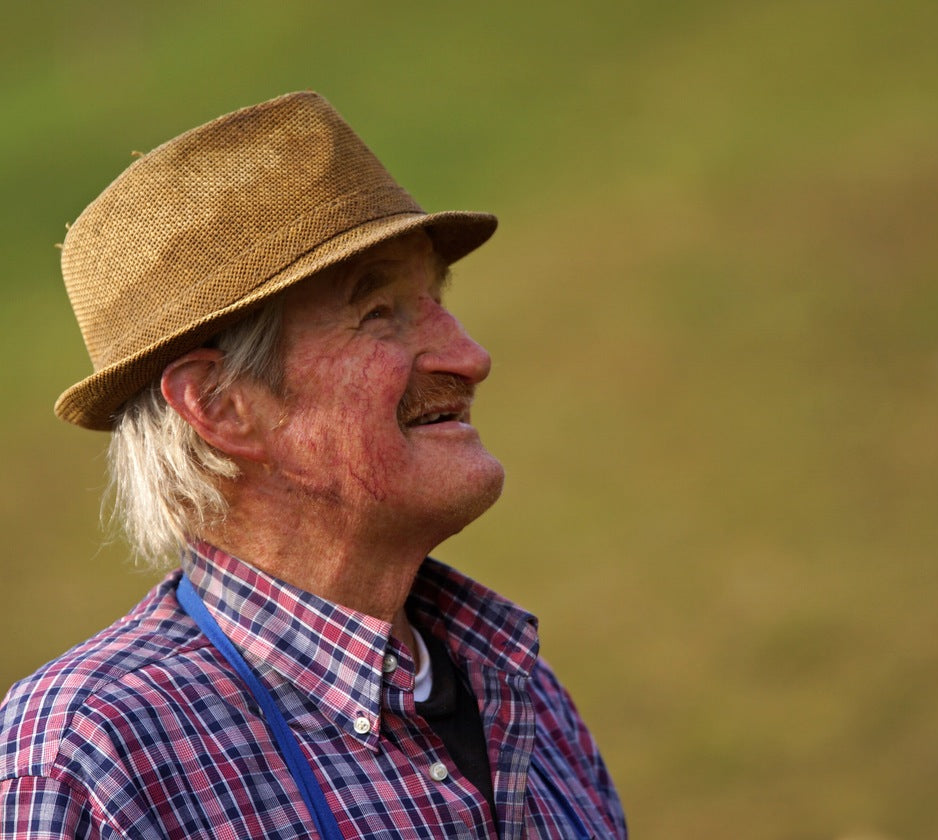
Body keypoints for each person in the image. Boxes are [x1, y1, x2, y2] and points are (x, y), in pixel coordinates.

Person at [0, 92, 626, 838]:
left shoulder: (521, 694)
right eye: (379, 314)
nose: (470, 356)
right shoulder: (86, 753)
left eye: (435, 301)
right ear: (223, 405)